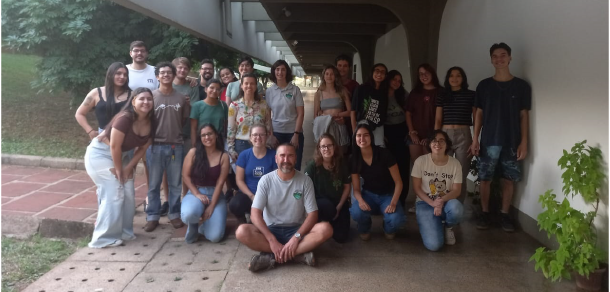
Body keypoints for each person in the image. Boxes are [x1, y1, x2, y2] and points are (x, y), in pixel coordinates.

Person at [235, 144, 333, 272]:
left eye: (290, 156)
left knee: (326, 229)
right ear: (276, 159)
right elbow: (255, 214)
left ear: (295, 159)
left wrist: (296, 238)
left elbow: (313, 214)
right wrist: (271, 239)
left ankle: (272, 257)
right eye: (282, 156)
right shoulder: (266, 180)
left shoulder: (305, 180)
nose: (286, 160)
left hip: (297, 230)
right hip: (271, 230)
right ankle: (297, 256)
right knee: (241, 232)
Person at [470, 43, 531, 232]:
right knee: (485, 178)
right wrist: (475, 139)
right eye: (495, 56)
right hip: (489, 140)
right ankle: (485, 212)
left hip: (512, 141)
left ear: (510, 57)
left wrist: (524, 141)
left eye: (503, 55)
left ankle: (505, 214)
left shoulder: (521, 86)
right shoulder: (484, 85)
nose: (499, 59)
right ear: (491, 59)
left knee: (508, 179)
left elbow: (523, 116)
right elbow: (478, 114)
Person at [84, 87, 155, 248]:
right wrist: (118, 171)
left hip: (122, 157)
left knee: (128, 192)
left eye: (149, 99)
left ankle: (124, 231)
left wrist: (129, 167)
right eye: (141, 98)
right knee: (115, 192)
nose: (146, 102)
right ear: (133, 102)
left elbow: (143, 148)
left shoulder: (152, 121)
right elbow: (114, 146)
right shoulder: (125, 118)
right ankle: (103, 238)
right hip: (100, 155)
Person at [145, 62, 190, 232]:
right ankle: (153, 216)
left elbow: (183, 120)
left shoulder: (181, 98)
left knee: (175, 184)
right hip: (155, 146)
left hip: (175, 146)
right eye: (162, 73)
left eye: (169, 72)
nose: (165, 75)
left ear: (173, 75)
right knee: (154, 184)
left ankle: (174, 214)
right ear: (157, 76)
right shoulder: (151, 96)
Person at [349, 124, 406, 240]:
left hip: (387, 195)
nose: (362, 139)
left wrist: (393, 203)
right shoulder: (354, 158)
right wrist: (360, 201)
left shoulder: (384, 154)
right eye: (358, 136)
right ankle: (365, 226)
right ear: (355, 138)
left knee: (396, 219)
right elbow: (355, 189)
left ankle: (388, 226)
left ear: (371, 137)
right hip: (368, 194)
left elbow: (399, 182)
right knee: (356, 211)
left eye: (366, 135)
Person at [412, 130, 464, 251]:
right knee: (434, 245)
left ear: (447, 144)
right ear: (429, 144)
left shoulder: (455, 164)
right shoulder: (421, 161)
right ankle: (435, 224)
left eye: (442, 141)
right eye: (434, 140)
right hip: (425, 202)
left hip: (447, 201)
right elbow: (417, 188)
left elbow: (456, 191)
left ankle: (447, 226)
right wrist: (432, 203)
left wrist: (440, 201)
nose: (438, 143)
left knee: (456, 208)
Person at [180, 124, 230, 243]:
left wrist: (212, 206)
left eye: (210, 134)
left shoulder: (224, 156)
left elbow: (220, 183)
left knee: (215, 237)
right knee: (189, 214)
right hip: (195, 192)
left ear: (216, 135)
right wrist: (197, 194)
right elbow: (185, 176)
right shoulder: (193, 152)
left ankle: (202, 226)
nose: (207, 137)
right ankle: (193, 224)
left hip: (215, 194)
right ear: (200, 138)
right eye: (203, 135)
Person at [434, 67, 475, 203]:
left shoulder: (471, 95)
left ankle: (457, 207)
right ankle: (442, 204)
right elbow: (438, 119)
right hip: (445, 134)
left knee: (461, 173)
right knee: (442, 171)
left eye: (458, 75)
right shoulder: (442, 95)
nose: (455, 78)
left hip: (464, 135)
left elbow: (476, 118)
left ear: (463, 78)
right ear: (448, 78)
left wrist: (475, 139)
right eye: (451, 75)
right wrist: (435, 139)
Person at [304, 134, 351, 243]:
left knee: (341, 237)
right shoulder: (312, 166)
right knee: (328, 206)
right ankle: (320, 223)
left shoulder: (342, 163)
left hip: (338, 203)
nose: (326, 149)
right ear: (319, 149)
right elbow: (304, 188)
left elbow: (347, 186)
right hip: (320, 204)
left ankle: (330, 224)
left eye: (329, 145)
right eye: (323, 146)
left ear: (334, 147)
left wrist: (339, 207)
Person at [229, 124, 277, 223]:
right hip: (248, 194)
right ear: (250, 138)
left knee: (261, 223)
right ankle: (243, 220)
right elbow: (239, 180)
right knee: (235, 204)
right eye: (255, 135)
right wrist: (252, 196)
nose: (258, 138)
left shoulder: (274, 155)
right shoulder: (244, 155)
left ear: (267, 136)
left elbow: (277, 180)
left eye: (261, 135)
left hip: (267, 196)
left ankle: (254, 217)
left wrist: (263, 198)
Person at [266, 60, 305, 170]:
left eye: (283, 69)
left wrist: (296, 134)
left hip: (293, 133)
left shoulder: (295, 90)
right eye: (277, 69)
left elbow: (301, 113)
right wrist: (271, 135)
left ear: (287, 72)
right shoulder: (269, 91)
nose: (280, 72)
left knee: (294, 166)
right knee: (276, 166)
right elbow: (268, 115)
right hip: (276, 134)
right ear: (274, 72)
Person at [75, 62, 132, 139]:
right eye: (118, 73)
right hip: (102, 138)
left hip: (126, 138)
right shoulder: (96, 93)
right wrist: (90, 131)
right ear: (110, 75)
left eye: (125, 75)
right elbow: (79, 113)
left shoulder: (132, 95)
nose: (122, 77)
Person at [227, 73, 273, 162]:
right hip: (241, 144)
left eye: (252, 83)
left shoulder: (264, 105)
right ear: (241, 86)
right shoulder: (234, 105)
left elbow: (268, 126)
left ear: (256, 86)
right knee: (243, 173)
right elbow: (231, 129)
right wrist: (231, 149)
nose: (249, 86)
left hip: (260, 143)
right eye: (246, 83)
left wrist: (268, 144)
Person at [382, 70, 410, 207]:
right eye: (394, 79)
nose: (396, 83)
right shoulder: (381, 94)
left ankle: (401, 199)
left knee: (403, 166)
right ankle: (389, 197)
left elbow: (410, 114)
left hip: (402, 133)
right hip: (387, 133)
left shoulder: (403, 95)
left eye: (399, 81)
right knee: (388, 167)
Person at [407, 63, 442, 163]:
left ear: (432, 74)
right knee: (417, 167)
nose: (423, 76)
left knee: (430, 169)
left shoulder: (440, 92)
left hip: (433, 136)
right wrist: (412, 132)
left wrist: (432, 137)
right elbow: (408, 113)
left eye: (426, 73)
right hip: (415, 136)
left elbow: (442, 117)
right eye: (421, 74)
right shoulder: (415, 93)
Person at [312, 65, 352, 153]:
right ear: (324, 76)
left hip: (339, 125)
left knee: (340, 153)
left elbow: (350, 111)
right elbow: (315, 116)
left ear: (336, 76)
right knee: (326, 153)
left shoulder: (342, 91)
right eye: (327, 74)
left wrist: (339, 116)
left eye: (332, 74)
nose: (329, 76)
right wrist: (323, 118)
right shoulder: (319, 93)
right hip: (324, 127)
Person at [351, 63, 388, 147]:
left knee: (378, 151)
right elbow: (353, 112)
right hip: (362, 125)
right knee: (363, 150)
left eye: (383, 72)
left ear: (385, 76)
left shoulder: (384, 92)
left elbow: (382, 113)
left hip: (378, 127)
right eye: (377, 71)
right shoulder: (361, 89)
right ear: (372, 73)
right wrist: (355, 132)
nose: (379, 74)